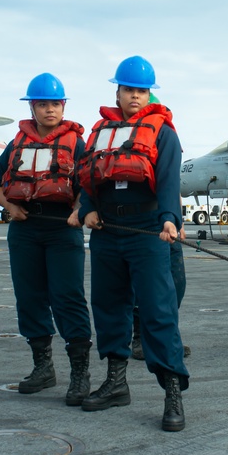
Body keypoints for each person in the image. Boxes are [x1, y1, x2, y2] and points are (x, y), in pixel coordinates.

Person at [77, 55, 189, 432]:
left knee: (159, 312)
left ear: (150, 94)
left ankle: (172, 391)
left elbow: (170, 179)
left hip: (147, 229)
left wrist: (170, 219)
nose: (135, 96)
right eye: (129, 90)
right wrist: (89, 207)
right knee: (108, 306)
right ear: (118, 91)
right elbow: (89, 176)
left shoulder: (163, 132)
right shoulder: (100, 132)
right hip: (107, 229)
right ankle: (116, 383)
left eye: (142, 91)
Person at [0, 73, 92, 404]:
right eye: (43, 105)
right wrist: (9, 208)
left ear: (63, 107)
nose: (50, 110)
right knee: (30, 298)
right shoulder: (16, 144)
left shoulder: (77, 144)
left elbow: (89, 183)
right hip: (25, 229)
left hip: (63, 228)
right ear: (32, 108)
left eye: (55, 104)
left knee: (68, 297)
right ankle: (43, 368)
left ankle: (80, 373)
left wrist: (78, 210)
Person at [131, 93, 189, 361]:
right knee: (143, 286)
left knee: (176, 283)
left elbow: (170, 183)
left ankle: (167, 335)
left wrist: (178, 219)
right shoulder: (129, 138)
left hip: (168, 221)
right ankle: (140, 337)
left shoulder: (164, 135)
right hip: (144, 223)